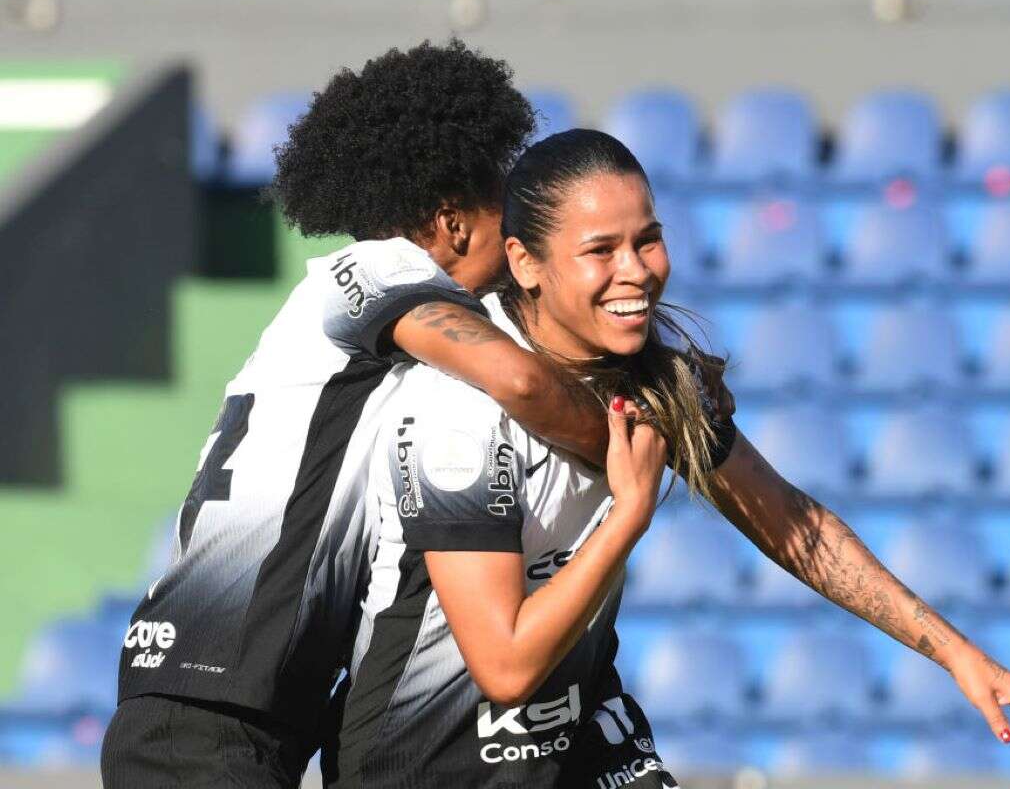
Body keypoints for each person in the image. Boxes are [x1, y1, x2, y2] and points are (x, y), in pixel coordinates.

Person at [323, 129, 1010, 788]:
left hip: (582, 748)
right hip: (426, 765)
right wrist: (629, 516)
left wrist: (957, 655)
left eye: (647, 239)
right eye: (600, 251)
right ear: (523, 263)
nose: (638, 271)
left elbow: (791, 526)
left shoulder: (656, 378)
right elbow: (508, 666)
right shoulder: (462, 407)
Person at [101, 42, 639, 788]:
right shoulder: (378, 269)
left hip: (247, 715)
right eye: (502, 207)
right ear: (452, 222)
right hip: (202, 714)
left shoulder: (397, 349)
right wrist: (638, 441)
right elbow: (519, 379)